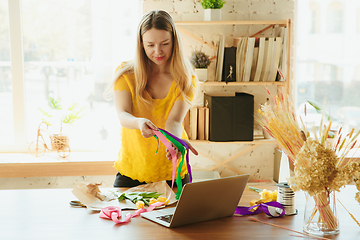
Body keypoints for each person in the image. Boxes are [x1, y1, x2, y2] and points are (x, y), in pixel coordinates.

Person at [104, 10, 199, 188]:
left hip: (173, 173)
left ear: (174, 42)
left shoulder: (186, 79)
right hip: (132, 172)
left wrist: (175, 143)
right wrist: (139, 122)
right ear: (141, 44)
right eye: (150, 45)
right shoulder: (126, 74)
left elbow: (175, 121)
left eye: (165, 44)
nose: (158, 51)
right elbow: (123, 115)